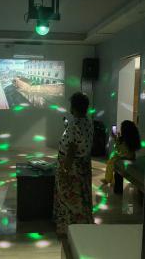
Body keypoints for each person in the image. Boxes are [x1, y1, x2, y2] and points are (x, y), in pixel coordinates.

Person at [54, 92, 94, 236]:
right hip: (84, 166)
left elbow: (71, 149)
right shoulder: (88, 121)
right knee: (83, 196)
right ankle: (84, 226)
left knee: (68, 198)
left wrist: (65, 171)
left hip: (72, 169)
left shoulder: (73, 125)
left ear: (74, 107)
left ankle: (69, 229)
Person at [102, 120, 141, 184]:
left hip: (124, 156)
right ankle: (111, 180)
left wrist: (115, 138)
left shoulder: (123, 139)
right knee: (114, 158)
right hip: (131, 156)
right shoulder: (133, 137)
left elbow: (119, 149)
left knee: (111, 161)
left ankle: (108, 180)